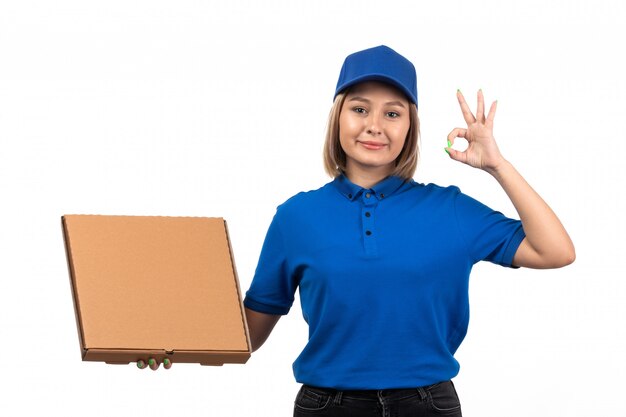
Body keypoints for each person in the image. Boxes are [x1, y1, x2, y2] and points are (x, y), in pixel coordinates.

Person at [138, 45, 575, 417]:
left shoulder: (451, 209)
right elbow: (249, 334)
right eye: (360, 108)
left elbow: (555, 251)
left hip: (428, 404)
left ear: (410, 128)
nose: (374, 125)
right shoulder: (296, 216)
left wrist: (497, 166)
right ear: (338, 117)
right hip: (327, 405)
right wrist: (173, 343)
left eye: (393, 113)